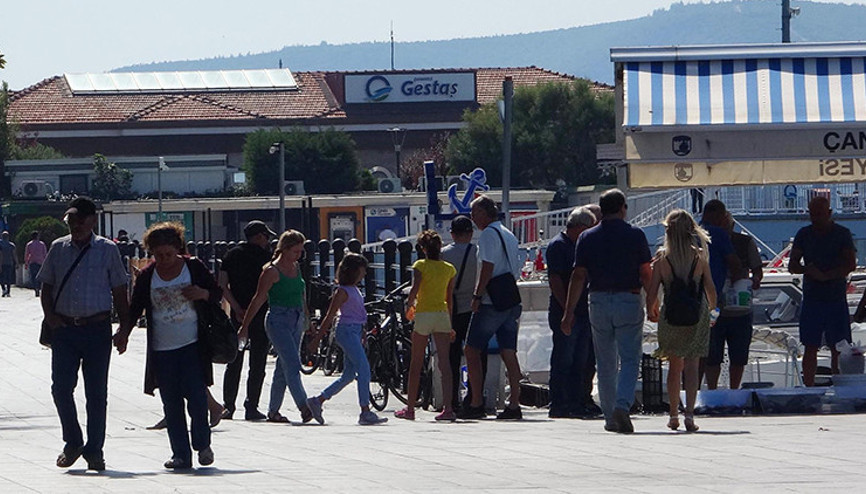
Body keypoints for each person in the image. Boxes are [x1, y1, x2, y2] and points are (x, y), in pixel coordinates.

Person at [114, 222, 219, 469]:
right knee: (171, 402)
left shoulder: (193, 268)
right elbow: (135, 307)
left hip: (192, 345)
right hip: (162, 350)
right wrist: (124, 333)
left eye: (169, 255)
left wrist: (202, 294)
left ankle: (203, 445)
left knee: (197, 398)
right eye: (158, 255)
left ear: (178, 249)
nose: (164, 260)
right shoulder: (149, 276)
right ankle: (180, 454)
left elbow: (216, 293)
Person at [38, 196, 130, 471]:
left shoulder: (107, 250)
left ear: (92, 221)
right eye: (71, 221)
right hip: (65, 330)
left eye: (80, 220)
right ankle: (73, 441)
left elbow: (119, 291)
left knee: (96, 393)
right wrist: (51, 318)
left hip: (97, 330)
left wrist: (124, 328)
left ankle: (95, 450)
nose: (75, 225)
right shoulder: (58, 248)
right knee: (61, 389)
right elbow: (47, 287)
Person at [562, 189, 652, 434]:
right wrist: (653, 300)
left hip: (598, 300)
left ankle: (610, 416)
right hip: (628, 298)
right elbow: (646, 272)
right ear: (623, 207)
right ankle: (623, 405)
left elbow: (578, 276)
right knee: (630, 358)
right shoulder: (635, 235)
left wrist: (568, 312)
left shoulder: (587, 238)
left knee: (605, 361)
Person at [646, 210, 716, 432]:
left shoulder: (661, 258)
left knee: (675, 366)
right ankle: (690, 415)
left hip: (671, 316)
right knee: (693, 366)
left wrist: (651, 310)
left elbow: (652, 291)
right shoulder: (699, 256)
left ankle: (673, 414)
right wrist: (712, 311)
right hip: (697, 314)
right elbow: (711, 290)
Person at [239, 230, 316, 424]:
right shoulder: (271, 271)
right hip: (278, 320)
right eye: (295, 251)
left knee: (283, 367)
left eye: (300, 252)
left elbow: (301, 295)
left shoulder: (296, 267)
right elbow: (258, 299)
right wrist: (245, 326)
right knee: (292, 363)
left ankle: (273, 411)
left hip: (296, 318)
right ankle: (304, 406)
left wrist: (307, 320)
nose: (298, 255)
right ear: (284, 249)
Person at [458, 195, 524, 421]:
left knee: (471, 349)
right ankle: (514, 403)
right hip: (511, 300)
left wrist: (477, 295)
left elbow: (487, 266)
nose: (472, 218)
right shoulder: (508, 233)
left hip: (491, 302)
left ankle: (476, 401)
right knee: (509, 352)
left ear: (485, 213)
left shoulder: (487, 235)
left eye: (474, 213)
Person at [306, 253, 388, 425]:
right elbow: (329, 316)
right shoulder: (342, 292)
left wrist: (362, 332)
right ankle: (365, 410)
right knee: (364, 368)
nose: (365, 274)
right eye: (362, 270)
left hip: (355, 331)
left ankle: (318, 400)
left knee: (348, 375)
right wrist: (318, 339)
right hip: (347, 331)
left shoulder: (354, 290)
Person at [789, 196, 856, 386]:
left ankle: (841, 385)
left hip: (835, 297)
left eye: (819, 214)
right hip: (812, 298)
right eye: (812, 214)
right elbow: (793, 265)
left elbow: (850, 264)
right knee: (810, 346)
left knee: (839, 347)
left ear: (829, 213)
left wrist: (827, 276)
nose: (815, 218)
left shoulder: (842, 234)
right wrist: (807, 270)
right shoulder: (804, 234)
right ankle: (808, 388)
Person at [395, 230, 457, 421]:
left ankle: (411, 408)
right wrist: (451, 323)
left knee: (416, 362)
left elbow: (415, 289)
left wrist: (408, 307)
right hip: (441, 314)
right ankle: (448, 408)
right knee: (445, 364)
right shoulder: (449, 269)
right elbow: (449, 298)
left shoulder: (420, 265)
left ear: (422, 249)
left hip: (423, 314)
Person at [219, 220, 276, 420]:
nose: (268, 241)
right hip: (260, 314)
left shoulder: (231, 255)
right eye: (266, 236)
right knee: (258, 362)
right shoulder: (267, 259)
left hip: (238, 314)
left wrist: (236, 308)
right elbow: (269, 289)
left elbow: (223, 285)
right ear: (259, 237)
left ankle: (228, 406)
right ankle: (252, 406)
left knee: (234, 361)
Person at [546, 206, 598, 419]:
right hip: (565, 310)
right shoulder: (559, 246)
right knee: (563, 359)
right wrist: (567, 307)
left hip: (582, 310)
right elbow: (555, 280)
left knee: (581, 359)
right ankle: (559, 402)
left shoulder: (580, 246)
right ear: (580, 227)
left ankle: (577, 401)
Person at [700, 200, 744, 389]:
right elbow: (733, 262)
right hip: (713, 299)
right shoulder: (717, 234)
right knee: (710, 347)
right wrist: (738, 277)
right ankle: (713, 390)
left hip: (691, 299)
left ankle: (693, 391)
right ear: (719, 216)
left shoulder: (691, 233)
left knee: (697, 350)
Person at [441, 215, 478, 412]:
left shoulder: (443, 254)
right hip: (472, 309)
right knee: (475, 356)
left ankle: (451, 400)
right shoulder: (477, 253)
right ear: (471, 233)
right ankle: (474, 397)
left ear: (452, 234)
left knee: (451, 358)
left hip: (450, 311)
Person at [25, 231, 47, 297]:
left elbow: (27, 254)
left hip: (32, 262)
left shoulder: (29, 244)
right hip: (40, 262)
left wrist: (26, 263)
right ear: (37, 236)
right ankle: (39, 287)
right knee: (40, 276)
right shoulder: (42, 244)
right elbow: (45, 254)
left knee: (33, 276)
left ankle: (36, 288)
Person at [0, 231, 16, 297]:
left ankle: (4, 289)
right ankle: (8, 291)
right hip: (9, 263)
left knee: (1, 277)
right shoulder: (11, 245)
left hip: (1, 263)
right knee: (8, 278)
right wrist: (16, 262)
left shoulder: (0, 244)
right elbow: (14, 255)